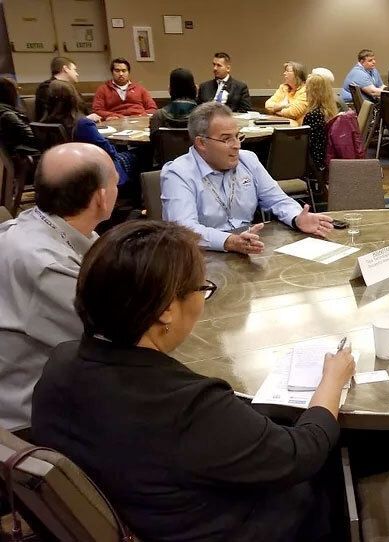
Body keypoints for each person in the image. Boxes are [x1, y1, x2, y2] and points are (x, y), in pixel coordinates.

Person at [31, 220, 355, 542]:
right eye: (202, 288)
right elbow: (301, 454)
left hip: (136, 509)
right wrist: (332, 380)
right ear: (166, 310)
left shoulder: (61, 363)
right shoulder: (187, 406)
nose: (202, 300)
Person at [0, 143, 118, 429]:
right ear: (101, 197)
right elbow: (114, 343)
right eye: (115, 180)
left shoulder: (39, 224)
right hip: (30, 422)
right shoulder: (47, 266)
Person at [161, 102, 335, 253]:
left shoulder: (247, 160)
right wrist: (227, 241)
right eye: (226, 139)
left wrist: (297, 218)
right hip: (202, 257)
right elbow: (184, 230)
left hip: (247, 248)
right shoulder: (178, 173)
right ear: (201, 143)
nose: (236, 145)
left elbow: (277, 200)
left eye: (237, 136)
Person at [42, 80, 138, 186]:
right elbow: (109, 151)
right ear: (73, 99)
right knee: (140, 153)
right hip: (96, 172)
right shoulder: (83, 124)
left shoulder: (45, 123)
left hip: (66, 173)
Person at [34, 56, 99, 123]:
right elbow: (56, 117)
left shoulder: (69, 87)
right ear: (65, 69)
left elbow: (82, 109)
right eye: (74, 70)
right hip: (59, 131)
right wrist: (85, 118)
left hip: (78, 125)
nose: (77, 74)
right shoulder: (47, 88)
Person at [91, 58, 157, 120]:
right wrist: (111, 115)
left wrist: (142, 115)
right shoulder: (103, 89)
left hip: (139, 120)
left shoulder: (139, 88)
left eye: (124, 70)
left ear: (128, 72)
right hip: (115, 121)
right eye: (117, 71)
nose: (121, 74)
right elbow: (97, 110)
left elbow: (152, 107)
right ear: (112, 72)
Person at [303, 74, 338, 175]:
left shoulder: (313, 115)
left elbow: (307, 144)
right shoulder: (330, 112)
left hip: (314, 162)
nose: (305, 91)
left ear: (313, 92)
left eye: (307, 89)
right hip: (325, 157)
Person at [149, 68, 198, 134]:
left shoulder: (158, 116)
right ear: (195, 89)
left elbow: (153, 141)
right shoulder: (204, 116)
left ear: (170, 90)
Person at [0, 76, 36, 154]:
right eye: (17, 89)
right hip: (26, 154)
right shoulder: (8, 115)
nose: (18, 93)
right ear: (9, 92)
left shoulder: (5, 111)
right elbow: (33, 137)